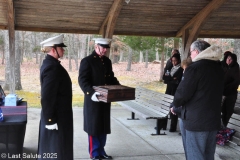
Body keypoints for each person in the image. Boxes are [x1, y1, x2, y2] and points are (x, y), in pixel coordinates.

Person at [172, 40, 224, 160]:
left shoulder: (195, 68)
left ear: (196, 51)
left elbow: (182, 94)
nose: (190, 55)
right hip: (213, 120)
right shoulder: (219, 68)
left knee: (195, 155)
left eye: (191, 52)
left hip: (196, 121)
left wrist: (175, 105)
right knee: (208, 155)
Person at [78, 38, 120, 160]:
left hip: (105, 99)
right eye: (103, 47)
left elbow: (111, 78)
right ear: (96, 46)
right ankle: (94, 153)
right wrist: (91, 93)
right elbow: (82, 80)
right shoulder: (87, 61)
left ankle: (102, 151)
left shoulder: (107, 61)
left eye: (107, 48)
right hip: (93, 100)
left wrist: (120, 88)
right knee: (94, 127)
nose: (105, 50)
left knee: (103, 126)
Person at [37, 34, 73, 160]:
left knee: (58, 148)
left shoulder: (52, 64)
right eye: (61, 48)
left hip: (59, 114)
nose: (63, 50)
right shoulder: (52, 68)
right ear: (53, 49)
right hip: (56, 116)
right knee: (56, 150)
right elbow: (47, 96)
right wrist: (50, 120)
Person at [163, 53, 183, 132]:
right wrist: (172, 79)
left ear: (178, 60)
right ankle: (163, 125)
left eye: (175, 61)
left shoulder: (180, 69)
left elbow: (178, 81)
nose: (174, 62)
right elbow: (164, 78)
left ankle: (173, 127)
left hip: (175, 91)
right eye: (173, 61)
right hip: (168, 90)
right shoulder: (170, 67)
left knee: (173, 109)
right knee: (165, 107)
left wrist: (170, 79)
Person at [221, 52, 240, 127]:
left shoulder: (235, 68)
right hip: (221, 92)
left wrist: (226, 88)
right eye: (228, 58)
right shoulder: (222, 66)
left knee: (229, 110)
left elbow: (236, 81)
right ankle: (222, 124)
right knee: (222, 110)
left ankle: (227, 125)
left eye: (231, 59)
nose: (229, 60)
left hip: (231, 93)